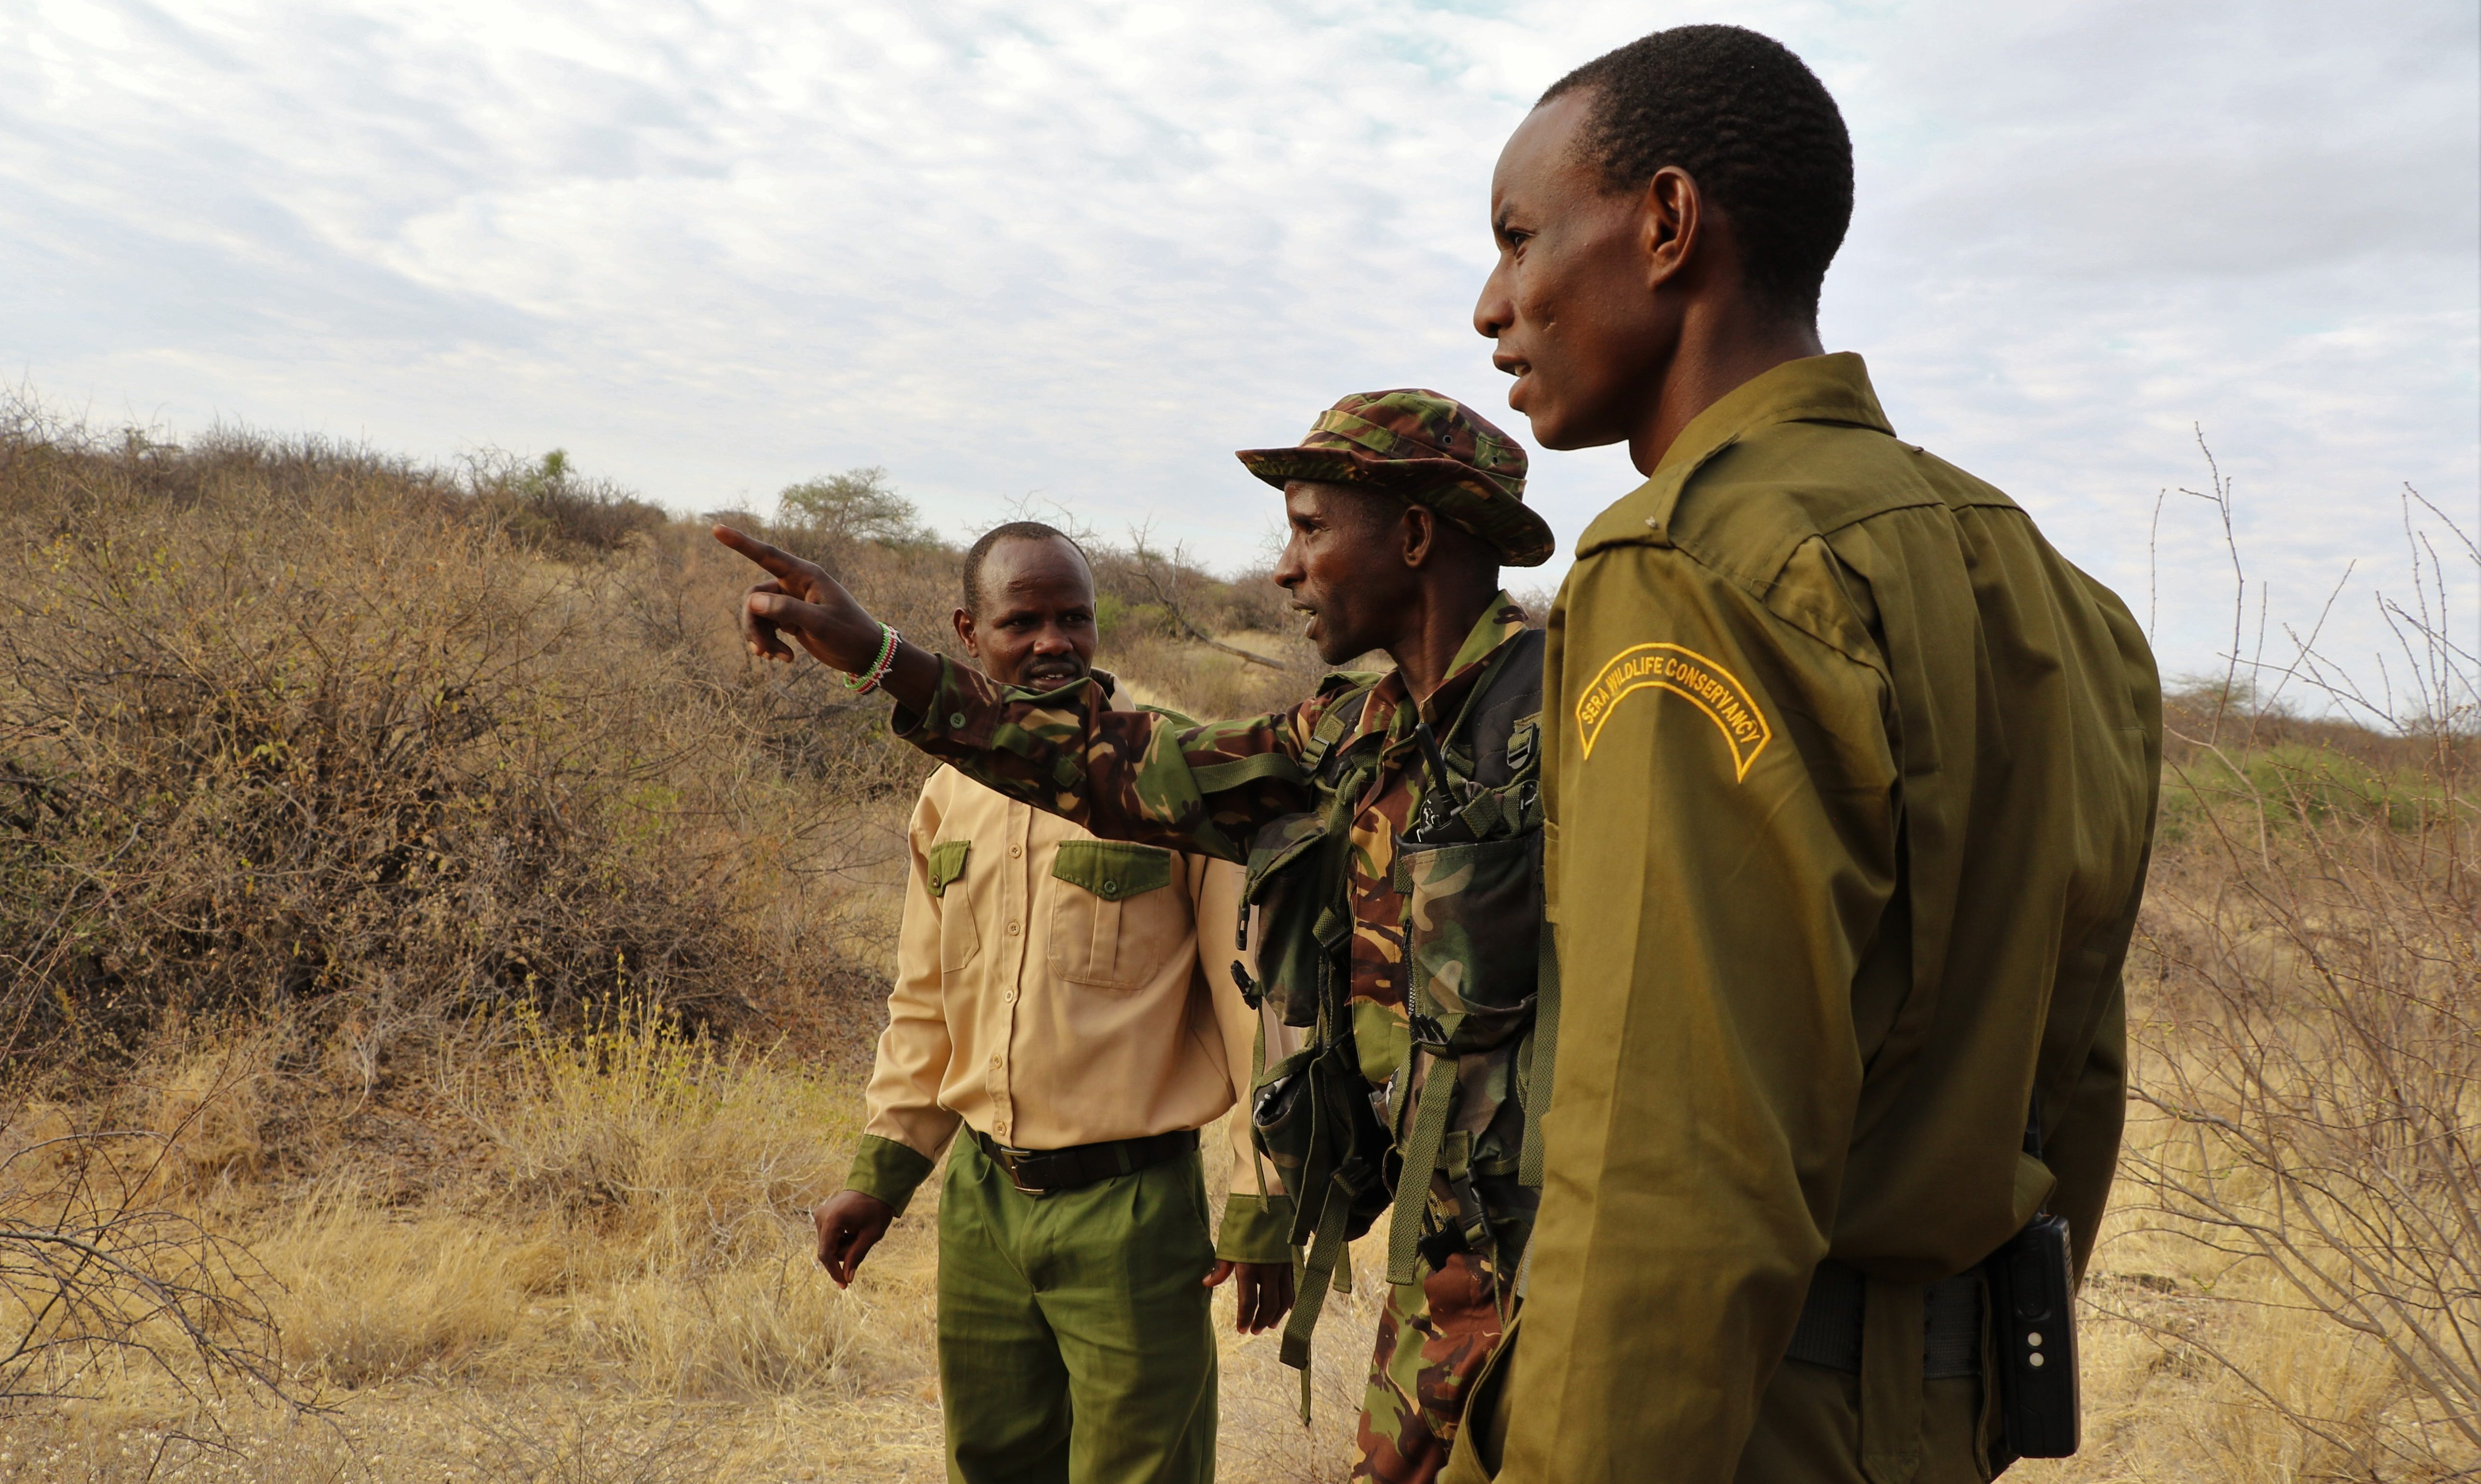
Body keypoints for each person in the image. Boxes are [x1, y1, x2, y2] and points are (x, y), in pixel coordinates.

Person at [1445, 25, 2164, 1484]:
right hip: (1944, 1417)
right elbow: (2075, 1076)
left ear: (1664, 223)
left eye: (1520, 238)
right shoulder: (2054, 592)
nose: (1491, 307)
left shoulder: (1693, 563)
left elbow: (1670, 1166)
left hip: (1731, 1426)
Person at [722, 392, 1558, 1483]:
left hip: (1562, 1251)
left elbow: (1250, 992)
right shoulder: (1354, 729)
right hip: (1440, 1257)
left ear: (1411, 537)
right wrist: (880, 657)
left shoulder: (1563, 714)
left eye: (1310, 530)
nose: (1284, 569)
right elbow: (1111, 775)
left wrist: (1260, 1203)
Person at [806, 522, 1290, 1484]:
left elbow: (1259, 1015)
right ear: (969, 630)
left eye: (1074, 617)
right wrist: (885, 1170)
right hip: (984, 1206)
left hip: (1135, 1210)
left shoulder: (1172, 783)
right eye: (1022, 620)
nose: (1053, 642)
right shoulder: (949, 798)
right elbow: (926, 1004)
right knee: (991, 1462)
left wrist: (1264, 1201)